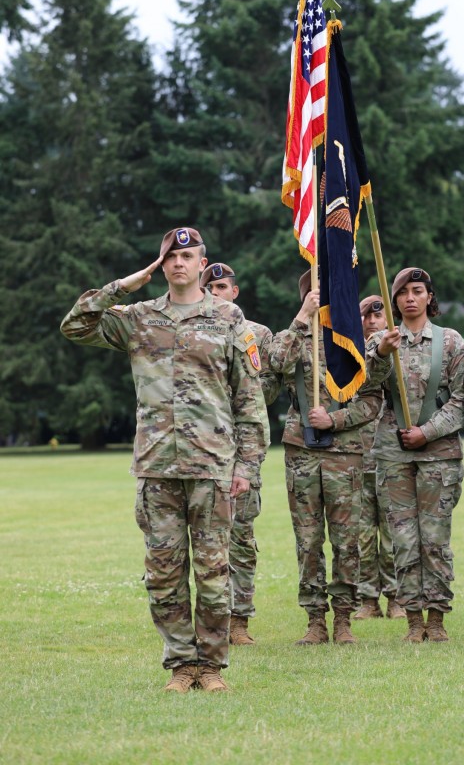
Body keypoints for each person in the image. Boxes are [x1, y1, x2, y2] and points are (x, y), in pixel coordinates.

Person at [60, 227, 268, 693]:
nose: (179, 263)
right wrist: (125, 285)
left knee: (214, 574)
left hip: (212, 466)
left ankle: (211, 667)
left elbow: (249, 401)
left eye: (188, 255)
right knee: (164, 573)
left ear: (202, 262)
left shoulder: (228, 317)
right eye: (170, 256)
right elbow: (75, 325)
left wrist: (246, 467)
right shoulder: (138, 318)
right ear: (161, 264)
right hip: (156, 466)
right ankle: (180, 666)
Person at [269, 270, 383, 645]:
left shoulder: (351, 341)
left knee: (347, 539)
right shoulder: (295, 337)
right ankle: (315, 618)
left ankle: (345, 618)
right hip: (302, 452)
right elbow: (273, 364)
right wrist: (302, 318)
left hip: (344, 454)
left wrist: (334, 419)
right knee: (307, 539)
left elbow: (371, 401)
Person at [365, 268, 464, 644]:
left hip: (438, 455)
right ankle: (412, 618)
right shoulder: (381, 339)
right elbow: (364, 385)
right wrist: (381, 353)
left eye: (418, 291)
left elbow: (463, 400)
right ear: (394, 301)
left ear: (429, 297)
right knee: (403, 539)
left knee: (435, 539)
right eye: (403, 292)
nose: (410, 298)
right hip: (393, 455)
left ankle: (437, 619)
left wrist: (428, 431)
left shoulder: (451, 342)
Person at [200, 260, 281, 646]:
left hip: (243, 446)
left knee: (241, 538)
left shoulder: (258, 335)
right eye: (210, 289)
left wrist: (229, 393)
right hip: (201, 446)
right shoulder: (195, 330)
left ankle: (240, 621)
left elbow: (268, 389)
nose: (216, 294)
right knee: (203, 539)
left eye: (222, 288)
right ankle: (208, 621)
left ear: (235, 292)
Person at [353, 295, 405, 622]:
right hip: (356, 453)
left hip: (389, 452)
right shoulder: (349, 353)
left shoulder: (398, 349)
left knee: (392, 531)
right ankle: (367, 599)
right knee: (361, 533)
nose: (372, 322)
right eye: (366, 317)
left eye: (378, 316)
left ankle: (397, 597)